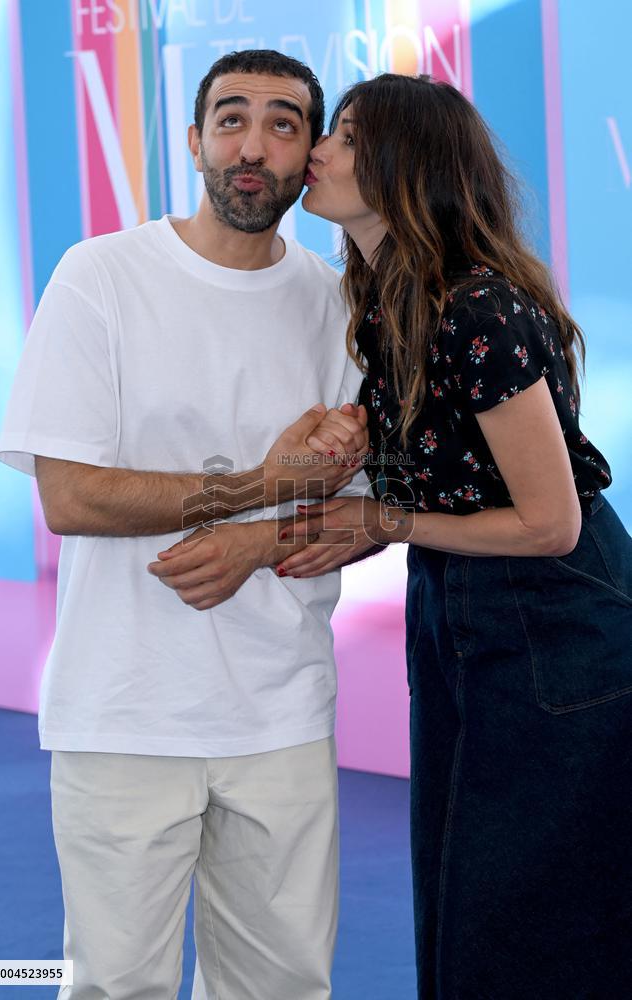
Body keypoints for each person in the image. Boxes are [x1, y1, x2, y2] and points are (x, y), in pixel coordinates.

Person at [0, 50, 376, 1000]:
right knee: (116, 986)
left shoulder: (338, 305)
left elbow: (356, 510)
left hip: (282, 710)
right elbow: (71, 497)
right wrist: (261, 485)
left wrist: (269, 530)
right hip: (123, 708)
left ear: (310, 154)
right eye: (232, 118)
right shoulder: (101, 277)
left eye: (284, 123)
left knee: (283, 987)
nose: (254, 145)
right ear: (196, 138)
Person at [274, 74, 632, 998]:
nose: (318, 148)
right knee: (467, 890)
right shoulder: (391, 298)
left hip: (553, 620)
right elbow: (451, 491)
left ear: (406, 164)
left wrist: (379, 518)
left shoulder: (476, 305)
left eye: (344, 136)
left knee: (528, 911)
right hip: (466, 606)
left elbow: (550, 524)